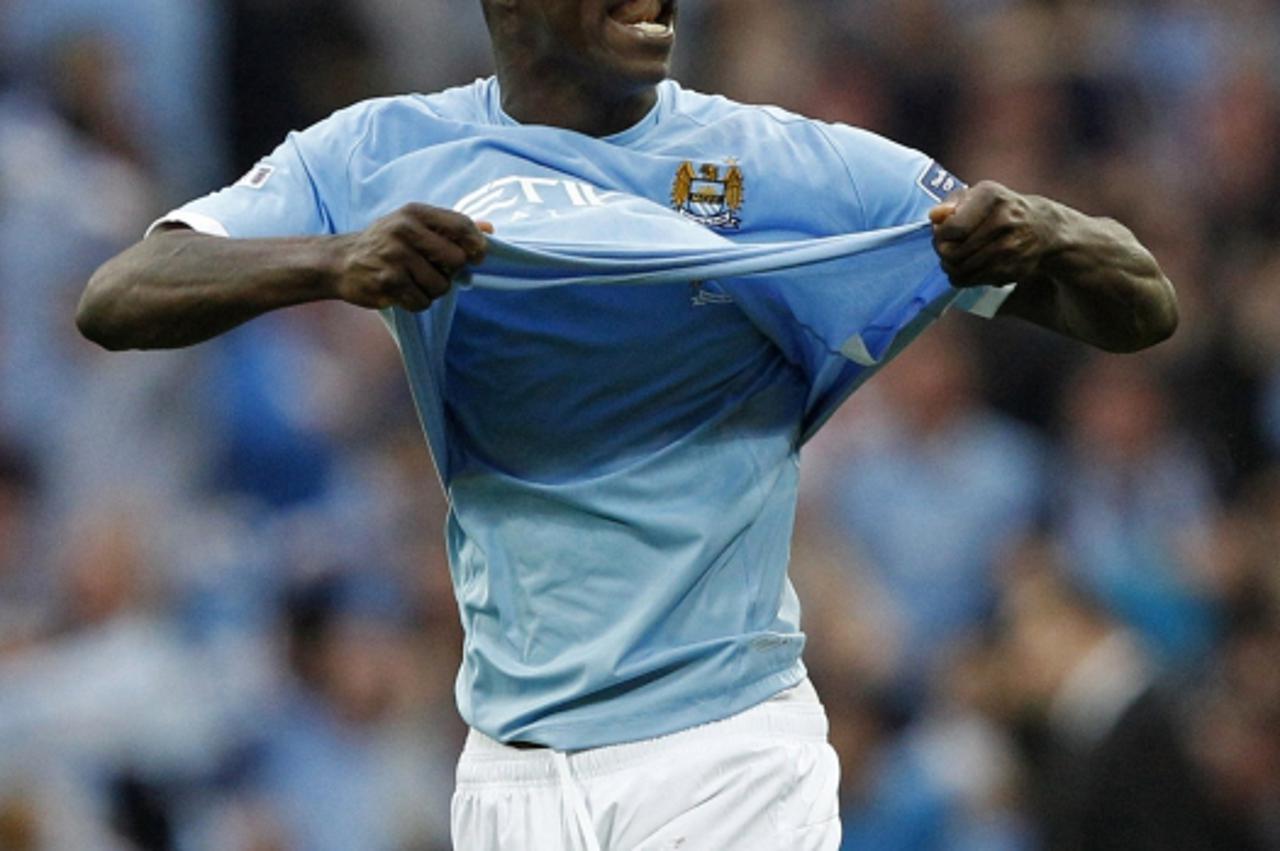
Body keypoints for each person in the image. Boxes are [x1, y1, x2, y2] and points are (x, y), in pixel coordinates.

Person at [75, 1, 1179, 848]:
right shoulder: (375, 154)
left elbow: (1139, 307)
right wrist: (332, 262)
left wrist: (1039, 232)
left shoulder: (787, 163)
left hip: (724, 759)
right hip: (509, 773)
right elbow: (125, 291)